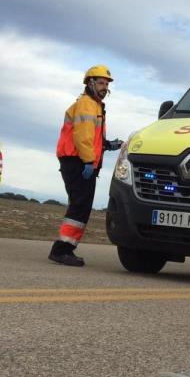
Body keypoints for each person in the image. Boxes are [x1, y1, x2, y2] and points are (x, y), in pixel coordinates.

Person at [49, 65, 123, 267]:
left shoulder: (95, 106)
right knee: (79, 207)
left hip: (79, 161)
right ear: (90, 83)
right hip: (79, 162)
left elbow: (91, 137)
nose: (104, 87)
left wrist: (108, 145)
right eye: (101, 83)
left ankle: (63, 248)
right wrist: (89, 161)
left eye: (107, 84)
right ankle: (62, 250)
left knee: (79, 206)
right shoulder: (87, 104)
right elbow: (82, 137)